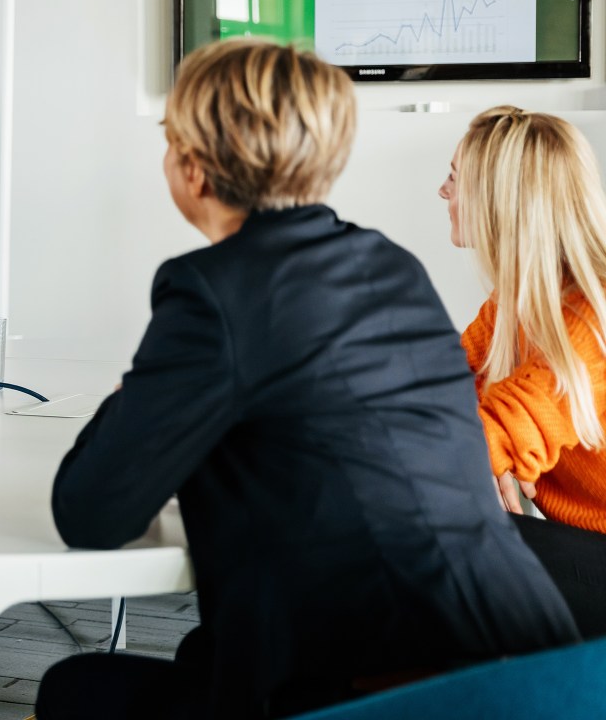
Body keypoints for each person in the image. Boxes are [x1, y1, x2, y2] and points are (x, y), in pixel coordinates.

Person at [38, 40, 578, 720]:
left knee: (73, 691)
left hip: (377, 686)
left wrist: (131, 399)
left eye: (170, 139)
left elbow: (90, 511)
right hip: (529, 660)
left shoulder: (212, 292)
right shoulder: (393, 266)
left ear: (194, 167)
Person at [440, 106, 606, 637]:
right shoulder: (514, 307)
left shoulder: (590, 319)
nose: (443, 193)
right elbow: (441, 389)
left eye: (453, 178)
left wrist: (490, 453)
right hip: (587, 549)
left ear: (497, 200)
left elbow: (478, 438)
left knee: (445, 541)